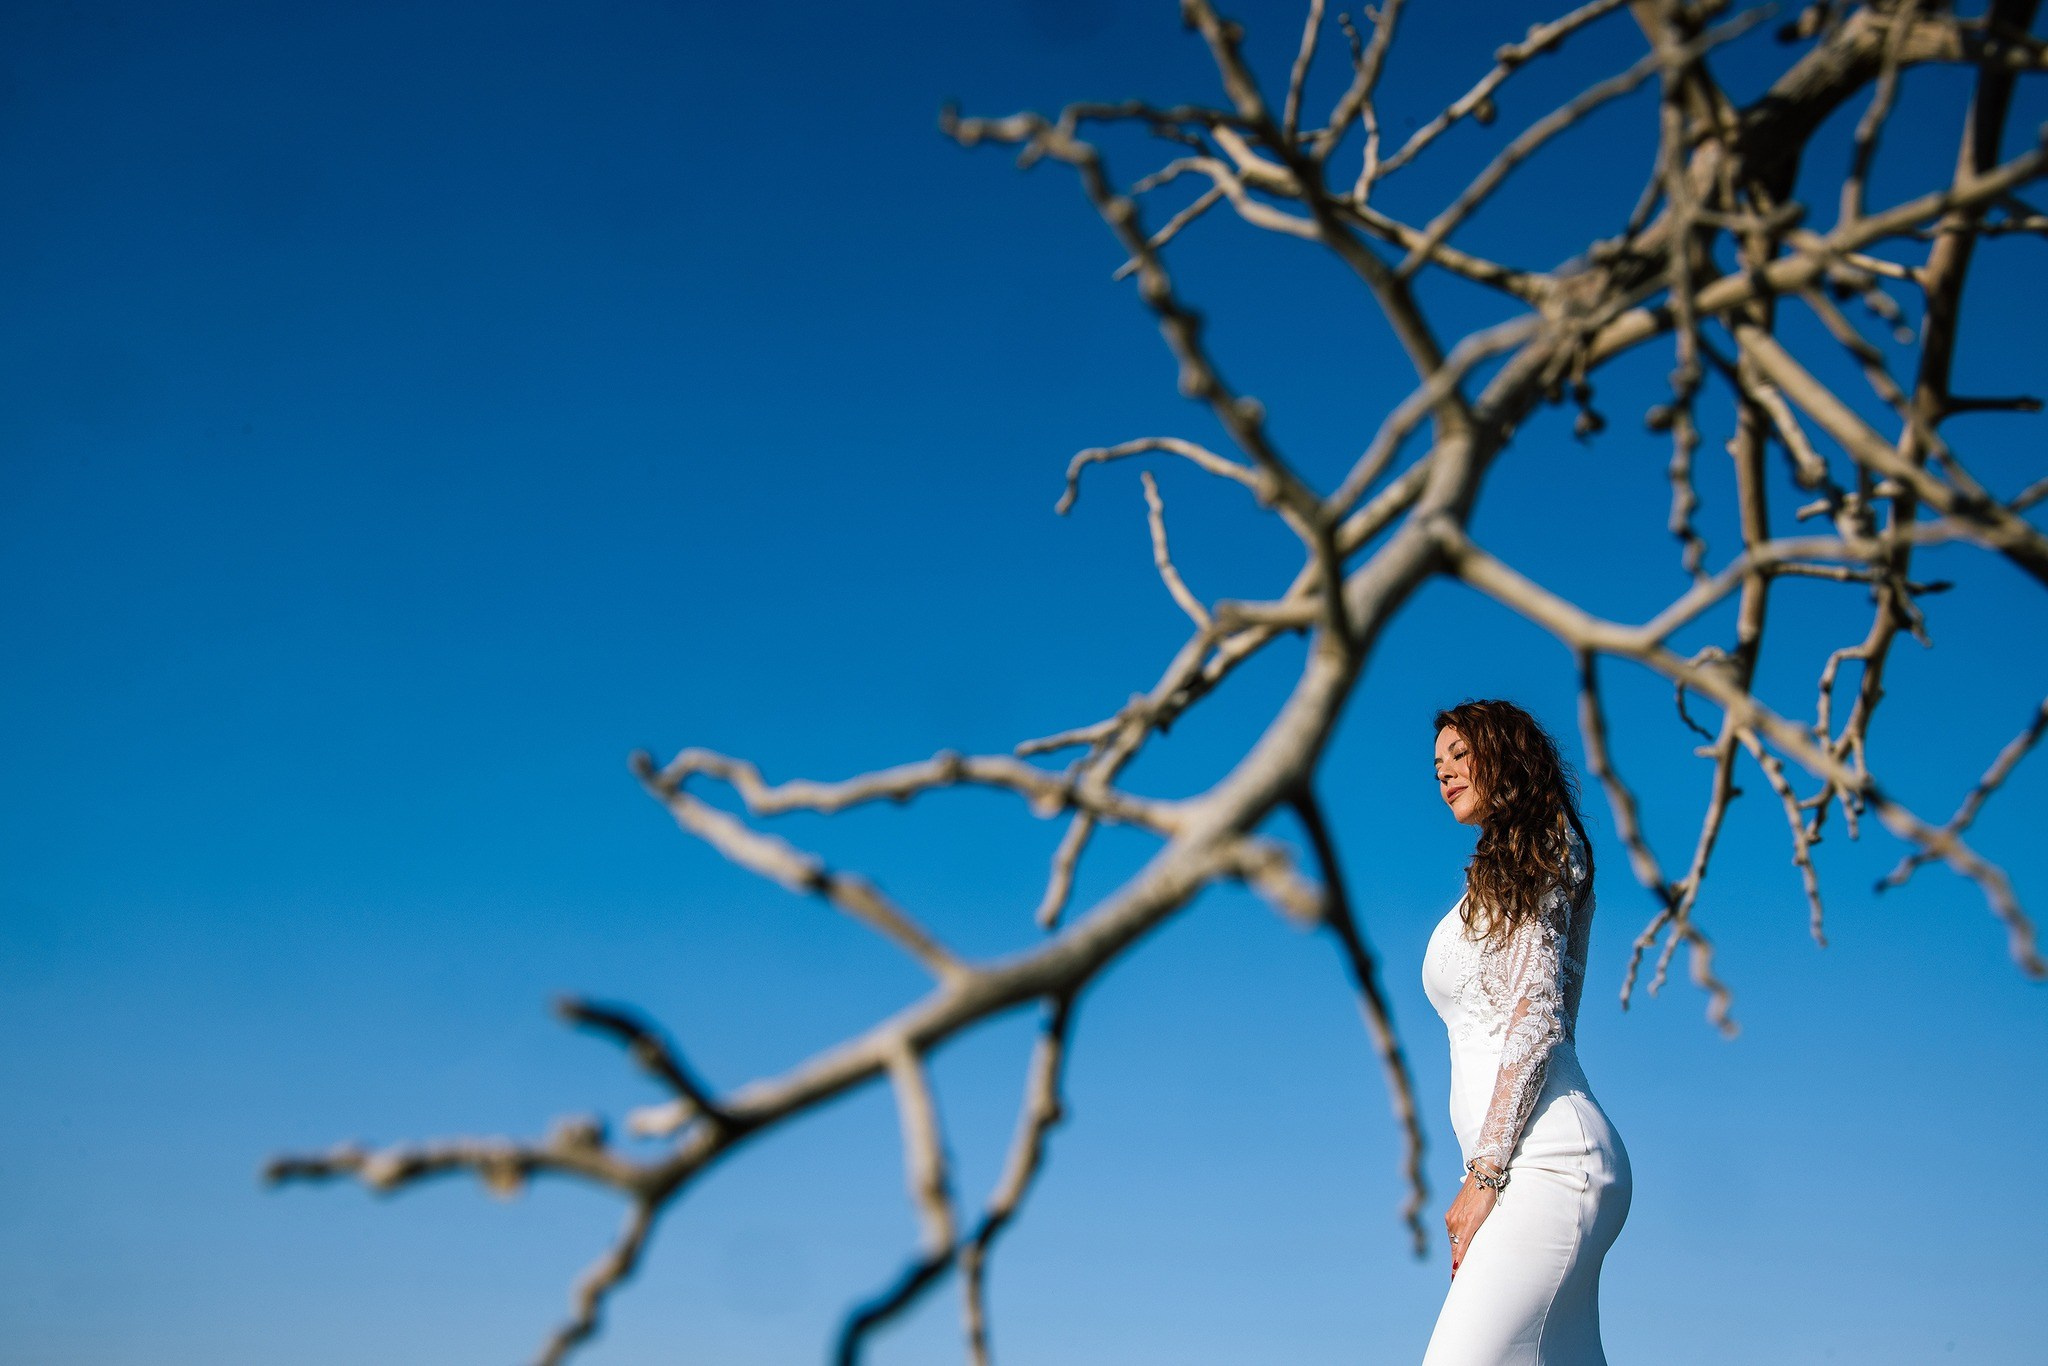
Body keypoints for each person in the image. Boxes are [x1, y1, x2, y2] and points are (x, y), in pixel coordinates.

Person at [1419, 699, 1631, 1366]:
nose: (1445, 774)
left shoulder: (1547, 845)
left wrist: (1483, 1176)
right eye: (1436, 766)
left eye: (1459, 756)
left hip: (1549, 1160)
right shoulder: (1496, 876)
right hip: (1517, 1163)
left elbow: (1540, 1013)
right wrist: (1484, 1170)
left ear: (1504, 757)